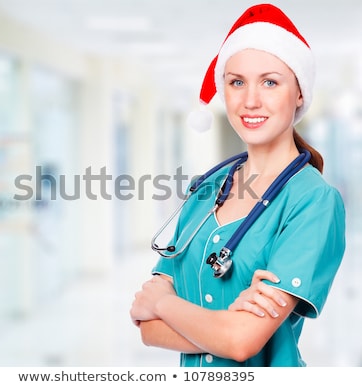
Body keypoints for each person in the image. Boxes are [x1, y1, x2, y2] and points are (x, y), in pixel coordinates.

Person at [130, 3, 346, 367]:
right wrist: (226, 324)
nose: (250, 100)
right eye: (237, 82)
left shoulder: (314, 201)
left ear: (298, 94)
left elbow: (242, 341)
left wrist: (167, 304)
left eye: (270, 82)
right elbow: (148, 328)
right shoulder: (207, 188)